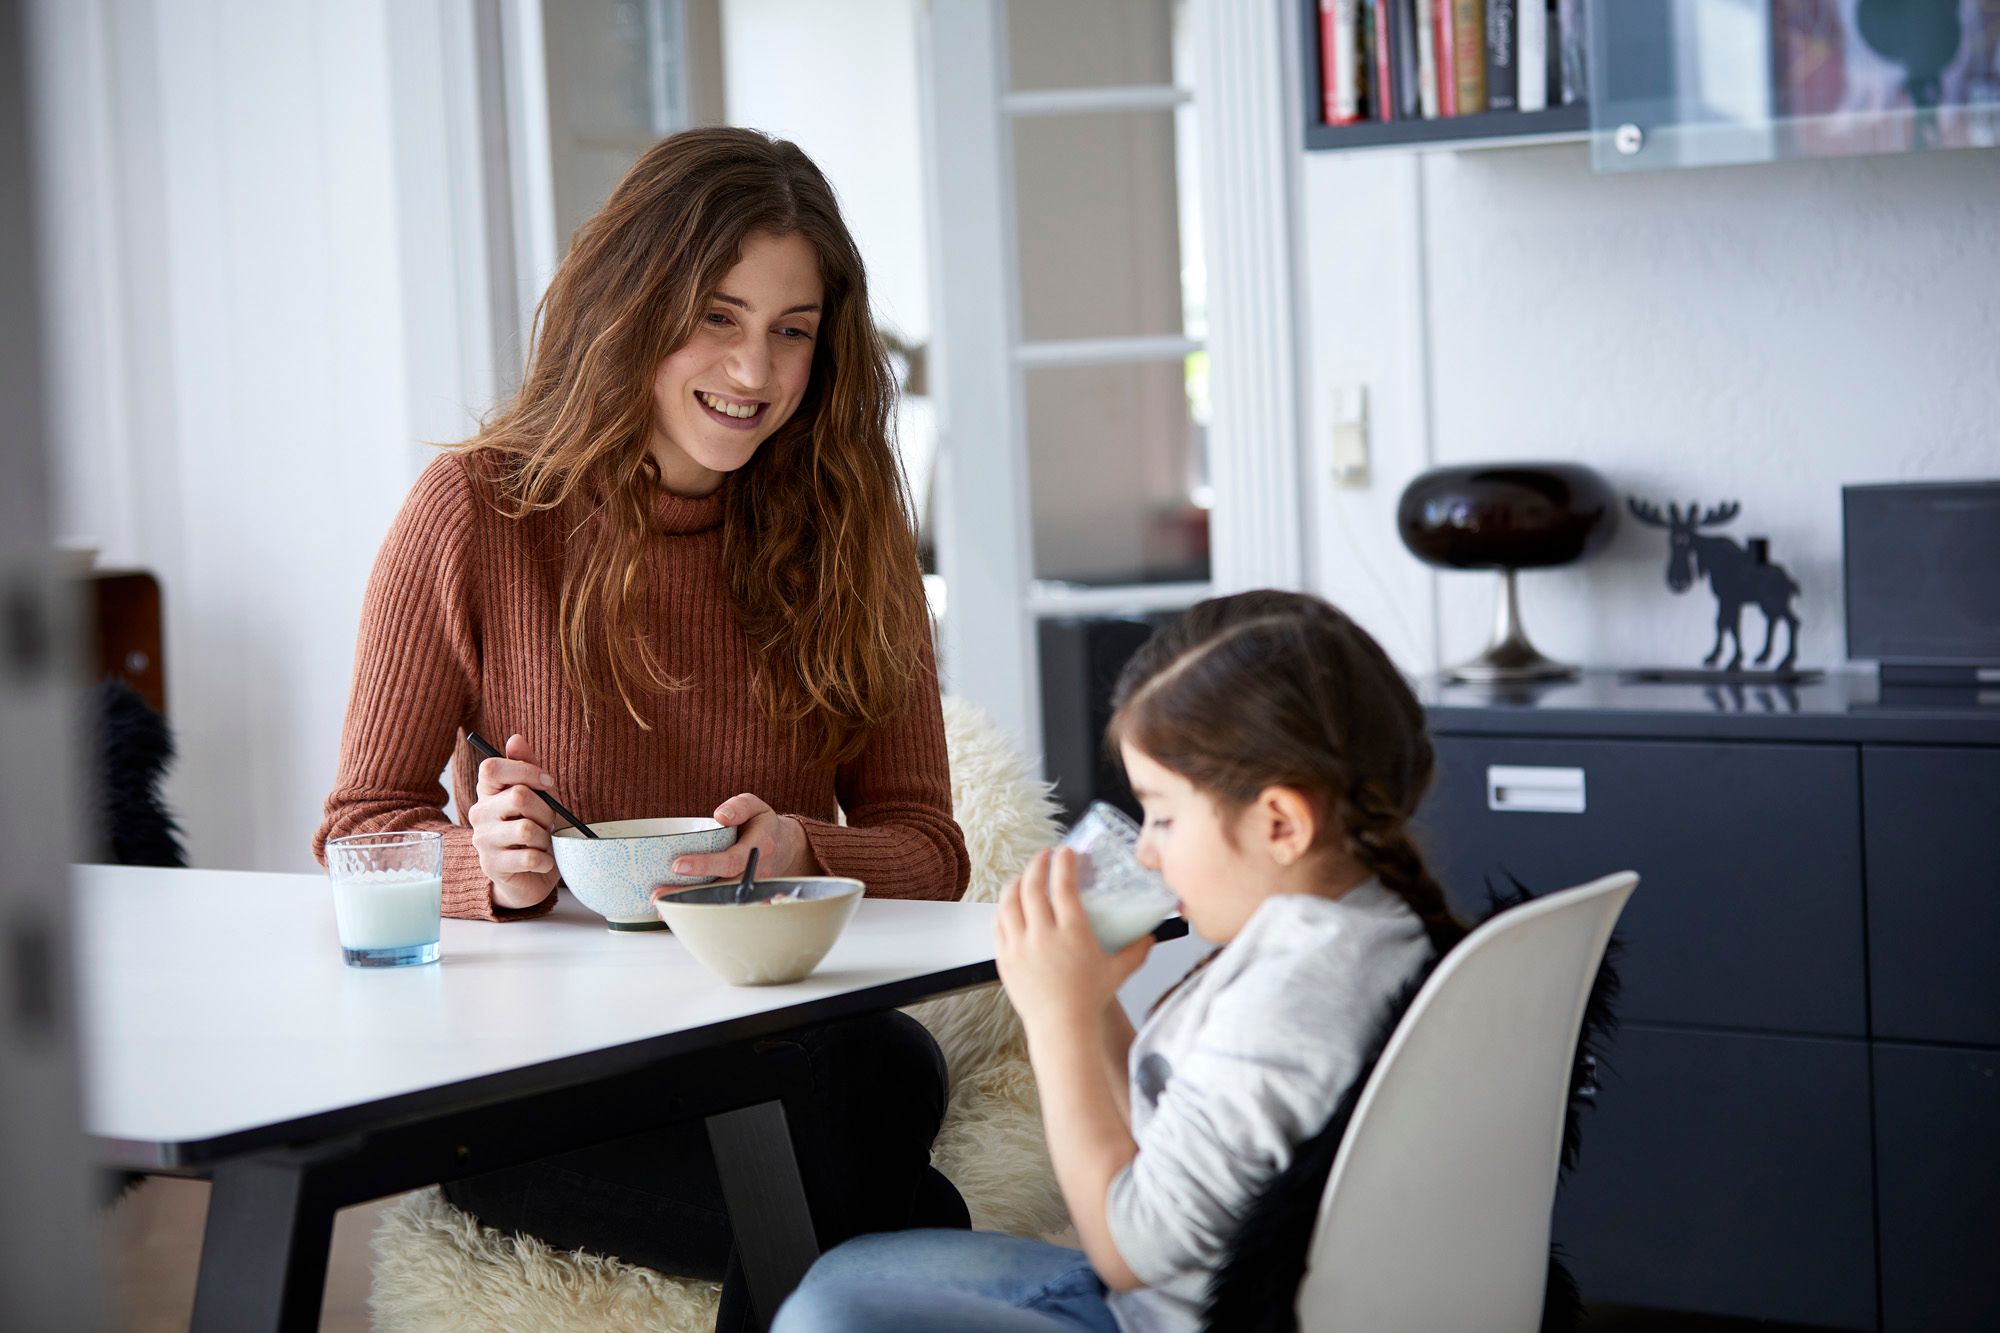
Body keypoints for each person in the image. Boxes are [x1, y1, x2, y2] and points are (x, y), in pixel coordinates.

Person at [313, 127, 971, 1331]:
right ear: (630, 308)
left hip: (772, 1047)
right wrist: (489, 868)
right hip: (539, 1083)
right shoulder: (476, 511)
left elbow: (929, 845)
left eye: (791, 328)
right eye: (716, 317)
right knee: (906, 1202)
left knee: (885, 1066)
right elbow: (360, 829)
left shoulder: (850, 520)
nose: (755, 369)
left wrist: (803, 852)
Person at [772, 589, 1468, 1333]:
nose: (1146, 850)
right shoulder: (1375, 925)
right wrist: (1098, 1001)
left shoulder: (1288, 999)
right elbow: (1180, 1141)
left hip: (1185, 1311)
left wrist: (1058, 1019)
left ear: (1280, 822)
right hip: (1216, 1287)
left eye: (1164, 814)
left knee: (830, 1310)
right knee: (849, 1269)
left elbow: (1128, 1253)